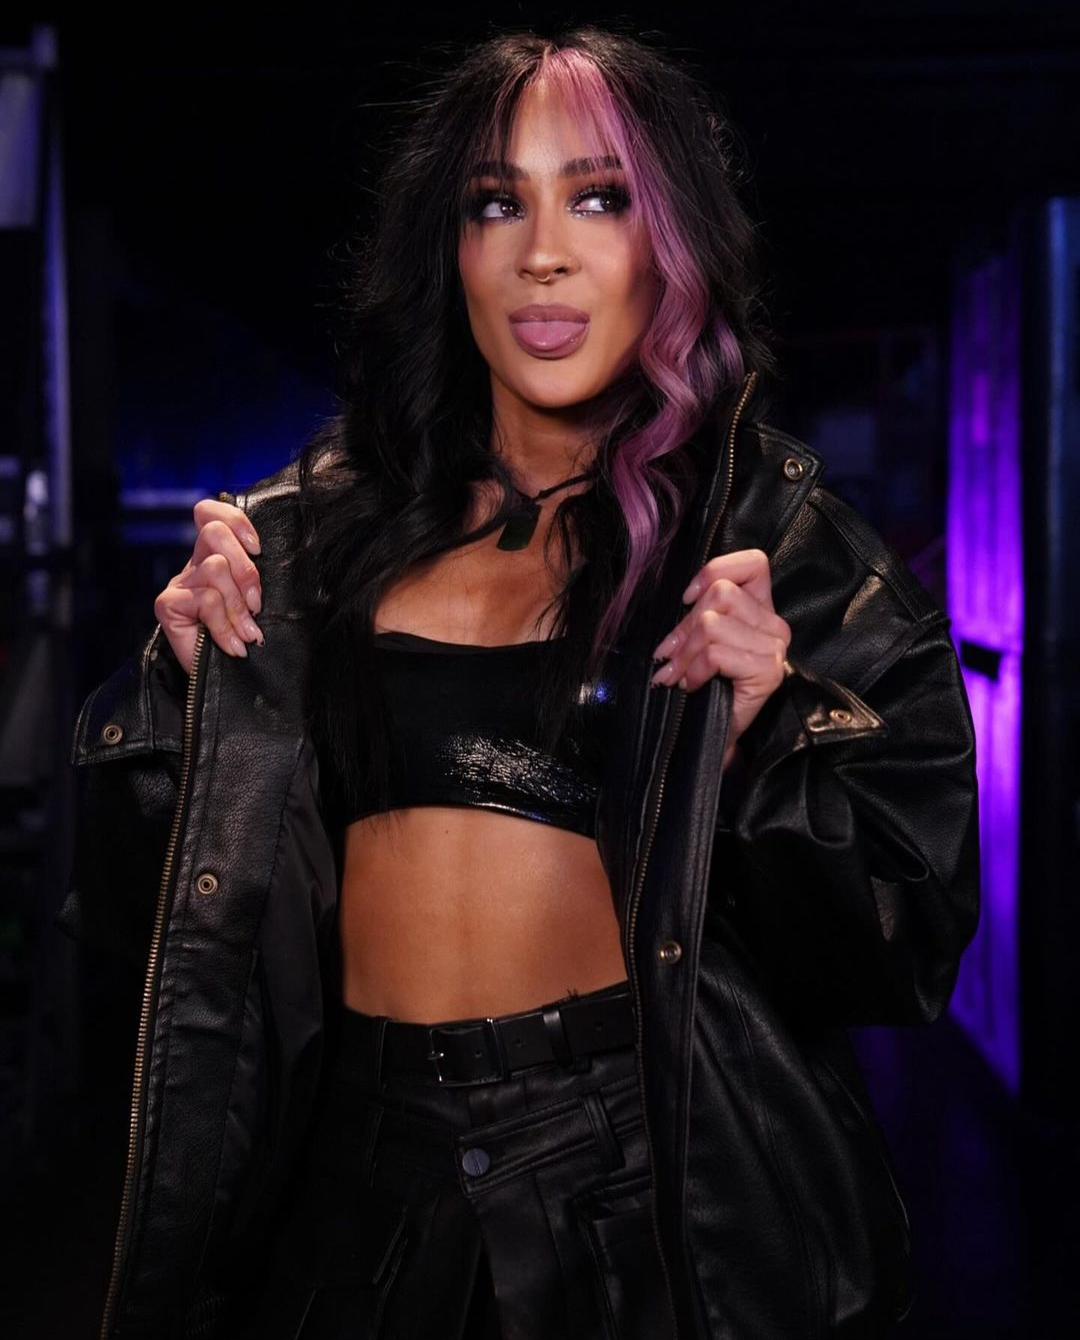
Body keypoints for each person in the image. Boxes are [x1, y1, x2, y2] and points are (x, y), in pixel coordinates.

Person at [60, 24, 980, 1340]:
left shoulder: (776, 546)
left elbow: (903, 945)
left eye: (598, 199)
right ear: (452, 249)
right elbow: (136, 930)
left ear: (670, 242)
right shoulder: (310, 543)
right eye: (498, 203)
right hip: (353, 1185)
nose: (542, 252)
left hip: (633, 1180)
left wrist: (767, 730)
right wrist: (181, 702)